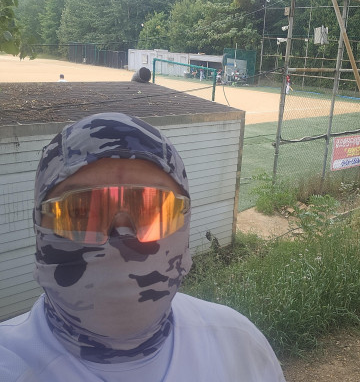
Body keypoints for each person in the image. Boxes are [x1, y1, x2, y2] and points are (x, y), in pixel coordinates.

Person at [0, 112, 286, 381]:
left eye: (152, 209)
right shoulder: (9, 363)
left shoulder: (241, 348)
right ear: (39, 227)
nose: (122, 238)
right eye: (81, 211)